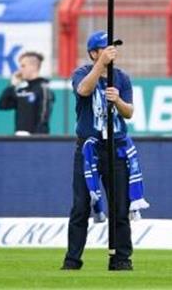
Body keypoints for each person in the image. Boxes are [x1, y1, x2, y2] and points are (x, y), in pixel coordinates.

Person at [61, 31, 135, 272]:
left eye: (113, 47)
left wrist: (118, 101)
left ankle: (121, 258)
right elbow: (83, 90)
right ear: (93, 53)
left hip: (115, 148)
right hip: (88, 149)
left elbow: (129, 112)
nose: (111, 52)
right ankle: (73, 260)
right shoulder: (82, 73)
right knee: (80, 206)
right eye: (104, 48)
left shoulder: (122, 78)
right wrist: (100, 66)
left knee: (120, 207)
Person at [0, 51, 54, 135]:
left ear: (33, 67)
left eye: (23, 66)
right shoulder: (21, 90)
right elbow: (1, 105)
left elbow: (43, 117)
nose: (20, 70)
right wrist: (12, 85)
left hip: (35, 140)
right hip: (19, 138)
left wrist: (36, 138)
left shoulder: (44, 88)